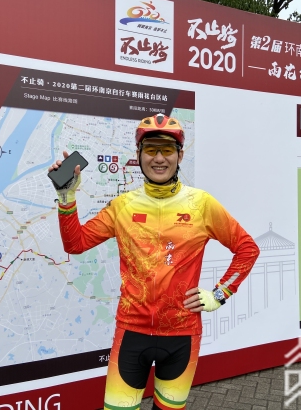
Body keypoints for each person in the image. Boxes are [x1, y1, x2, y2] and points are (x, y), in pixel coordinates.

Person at [49, 113, 260, 410]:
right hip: (131, 333)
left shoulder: (201, 204)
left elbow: (247, 249)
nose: (159, 158)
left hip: (182, 335)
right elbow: (76, 244)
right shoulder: (122, 206)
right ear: (138, 155)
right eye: (150, 149)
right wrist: (66, 198)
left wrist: (219, 293)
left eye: (167, 149)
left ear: (180, 155)